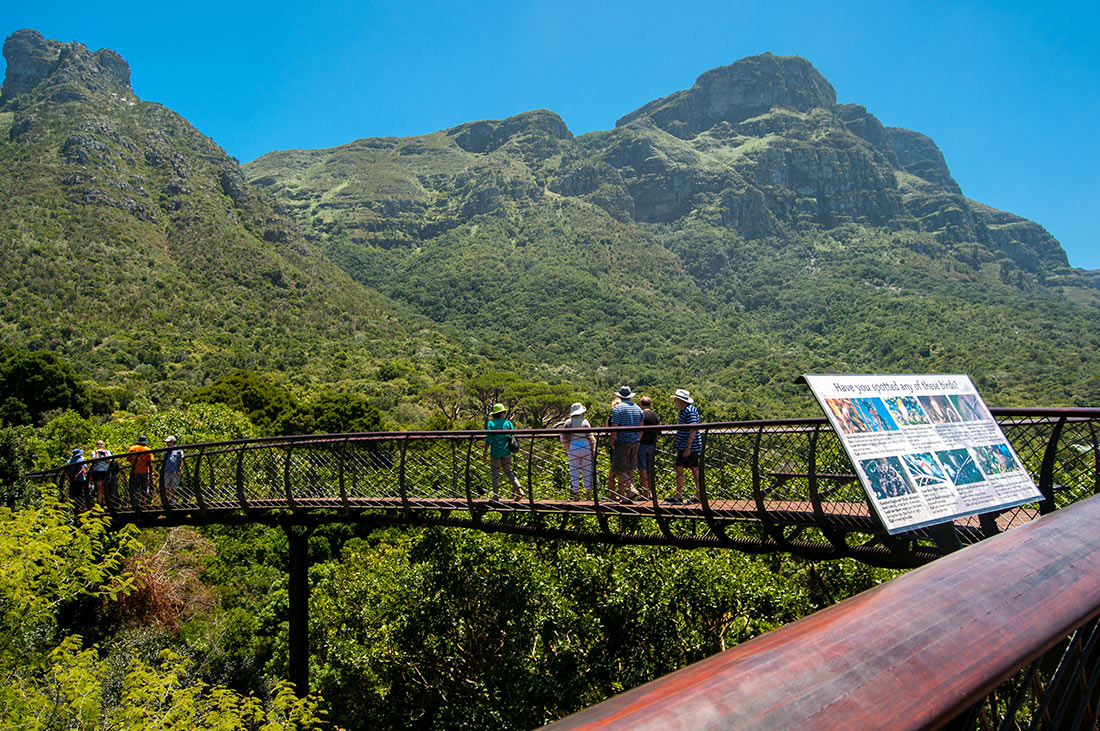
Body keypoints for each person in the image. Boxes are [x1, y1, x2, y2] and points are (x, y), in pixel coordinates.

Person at [609, 386, 644, 503]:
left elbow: (614, 427)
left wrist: (612, 440)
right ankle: (629, 496)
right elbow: (641, 428)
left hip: (623, 441)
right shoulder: (638, 408)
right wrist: (638, 439)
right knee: (630, 469)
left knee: (618, 468)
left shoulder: (617, 409)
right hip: (635, 442)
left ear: (620, 396)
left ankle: (632, 489)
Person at [483, 403, 522, 500]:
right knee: (508, 472)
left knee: (495, 473)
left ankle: (496, 495)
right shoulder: (508, 423)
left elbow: (488, 439)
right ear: (502, 413)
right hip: (506, 452)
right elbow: (514, 436)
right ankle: (519, 490)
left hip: (495, 452)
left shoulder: (491, 424)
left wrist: (485, 452)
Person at [670, 388, 703, 503]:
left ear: (680, 400)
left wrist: (688, 447)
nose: (675, 402)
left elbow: (693, 428)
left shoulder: (689, 411)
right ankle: (682, 495)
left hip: (689, 446)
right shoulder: (688, 410)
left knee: (691, 469)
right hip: (686, 445)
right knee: (685, 468)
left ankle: (692, 495)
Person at [560, 402, 596, 500]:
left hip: (573, 447)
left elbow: (564, 438)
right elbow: (590, 437)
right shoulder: (585, 422)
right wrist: (593, 449)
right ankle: (588, 493)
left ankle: (576, 494)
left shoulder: (568, 422)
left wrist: (568, 447)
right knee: (587, 470)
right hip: (585, 447)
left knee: (574, 471)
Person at [637, 396, 661, 499]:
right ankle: (652, 492)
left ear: (641, 404)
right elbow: (660, 427)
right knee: (650, 469)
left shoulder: (642, 414)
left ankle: (645, 493)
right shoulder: (655, 415)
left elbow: (640, 429)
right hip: (652, 444)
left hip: (642, 444)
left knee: (642, 468)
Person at [126, 435, 154, 507]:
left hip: (135, 471)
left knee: (135, 487)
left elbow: (128, 458)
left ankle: (135, 502)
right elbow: (150, 462)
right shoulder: (148, 450)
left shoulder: (133, 449)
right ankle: (143, 502)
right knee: (144, 487)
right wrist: (151, 473)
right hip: (144, 471)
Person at [89, 440, 113, 506]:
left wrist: (104, 454)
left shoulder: (107, 452)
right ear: (96, 445)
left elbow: (109, 461)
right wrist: (97, 453)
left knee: (105, 488)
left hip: (106, 472)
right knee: (99, 488)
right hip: (97, 472)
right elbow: (94, 461)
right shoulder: (93, 452)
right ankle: (100, 504)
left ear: (103, 445)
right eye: (98, 444)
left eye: (101, 444)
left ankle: (105, 503)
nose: (99, 445)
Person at [161, 435, 184, 506]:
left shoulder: (178, 450)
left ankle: (173, 500)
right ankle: (167, 500)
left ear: (173, 442)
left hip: (175, 470)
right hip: (166, 471)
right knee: (166, 486)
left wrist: (180, 468)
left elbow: (181, 460)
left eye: (169, 442)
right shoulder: (166, 451)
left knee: (173, 487)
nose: (167, 444)